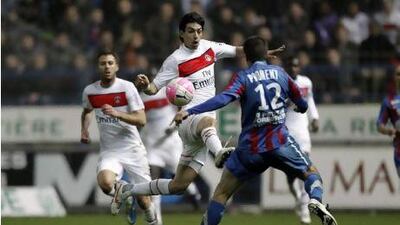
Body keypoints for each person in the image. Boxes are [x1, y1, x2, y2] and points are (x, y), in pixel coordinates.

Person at [111, 11, 285, 209]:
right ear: (181, 34)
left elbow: (238, 50)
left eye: (199, 31)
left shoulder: (209, 48)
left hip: (200, 130)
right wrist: (145, 85)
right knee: (207, 122)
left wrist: (261, 55)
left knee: (179, 185)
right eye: (191, 31)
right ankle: (219, 152)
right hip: (188, 117)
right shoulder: (175, 60)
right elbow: (153, 89)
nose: (196, 36)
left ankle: (126, 190)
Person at [174, 36, 338, 225]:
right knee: (311, 173)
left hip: (250, 149)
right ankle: (316, 200)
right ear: (266, 54)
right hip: (280, 142)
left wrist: (190, 110)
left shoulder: (243, 77)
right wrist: (295, 106)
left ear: (246, 57)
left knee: (221, 193)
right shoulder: (281, 74)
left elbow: (224, 98)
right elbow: (302, 105)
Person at [80, 50, 157, 225]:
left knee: (145, 201)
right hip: (110, 151)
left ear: (117, 66)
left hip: (133, 149)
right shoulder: (90, 91)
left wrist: (117, 114)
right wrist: (84, 130)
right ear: (98, 67)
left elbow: (141, 120)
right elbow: (87, 111)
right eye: (103, 63)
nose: (107, 67)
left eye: (110, 63)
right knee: (106, 183)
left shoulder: (127, 87)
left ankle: (151, 218)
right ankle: (124, 191)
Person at [140, 86, 202, 225]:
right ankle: (157, 221)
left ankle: (193, 194)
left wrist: (175, 125)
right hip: (153, 146)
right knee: (152, 183)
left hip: (171, 144)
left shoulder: (167, 91)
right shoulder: (138, 98)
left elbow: (184, 107)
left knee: (180, 178)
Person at [284, 56, 320, 224]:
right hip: (286, 133)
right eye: (291, 65)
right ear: (286, 66)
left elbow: (310, 100)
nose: (294, 68)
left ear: (300, 67)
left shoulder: (306, 82)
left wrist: (315, 118)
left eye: (296, 65)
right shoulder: (281, 82)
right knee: (291, 178)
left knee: (306, 171)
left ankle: (305, 211)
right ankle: (298, 199)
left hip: (303, 133)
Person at [377, 65, 400, 178]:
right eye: (398, 74)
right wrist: (388, 131)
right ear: (394, 77)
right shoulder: (389, 101)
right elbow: (380, 124)